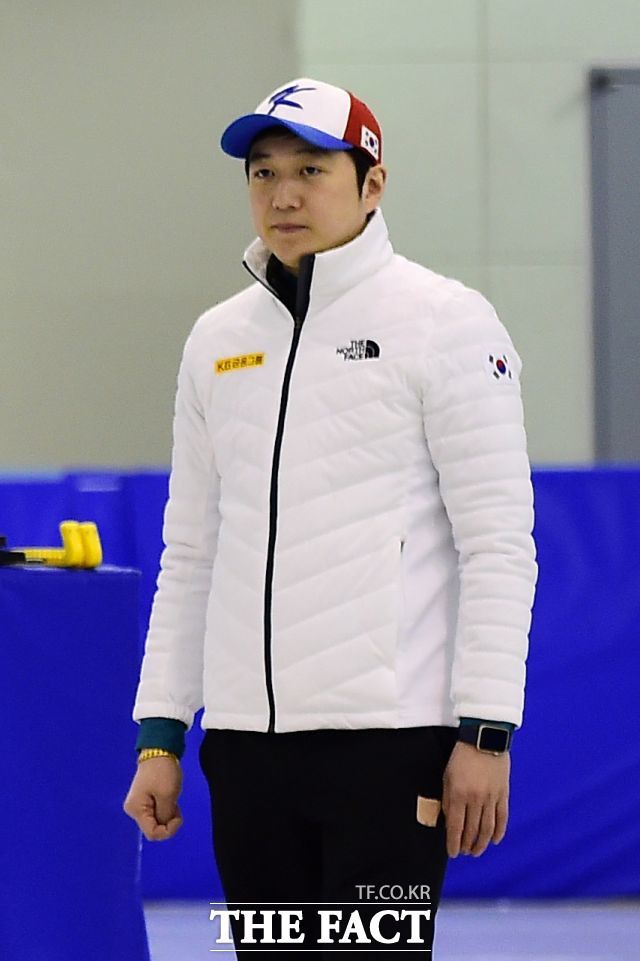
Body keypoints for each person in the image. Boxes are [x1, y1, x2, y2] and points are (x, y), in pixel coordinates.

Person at [124, 77, 538, 957]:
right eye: (263, 172)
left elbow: (499, 542)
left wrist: (486, 731)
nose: (283, 194)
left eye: (310, 169)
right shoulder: (217, 340)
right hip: (246, 750)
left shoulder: (446, 321)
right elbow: (191, 552)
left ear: (372, 183)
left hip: (390, 750)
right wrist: (160, 733)